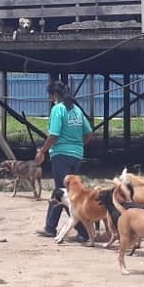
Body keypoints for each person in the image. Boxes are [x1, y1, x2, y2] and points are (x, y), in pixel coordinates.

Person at [34, 80, 92, 241]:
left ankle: (83, 231)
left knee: (66, 194)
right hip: (77, 156)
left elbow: (54, 134)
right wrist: (78, 145)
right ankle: (50, 227)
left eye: (50, 96)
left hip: (61, 155)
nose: (49, 99)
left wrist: (42, 151)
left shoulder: (58, 110)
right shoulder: (76, 111)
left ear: (54, 95)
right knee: (61, 191)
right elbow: (89, 133)